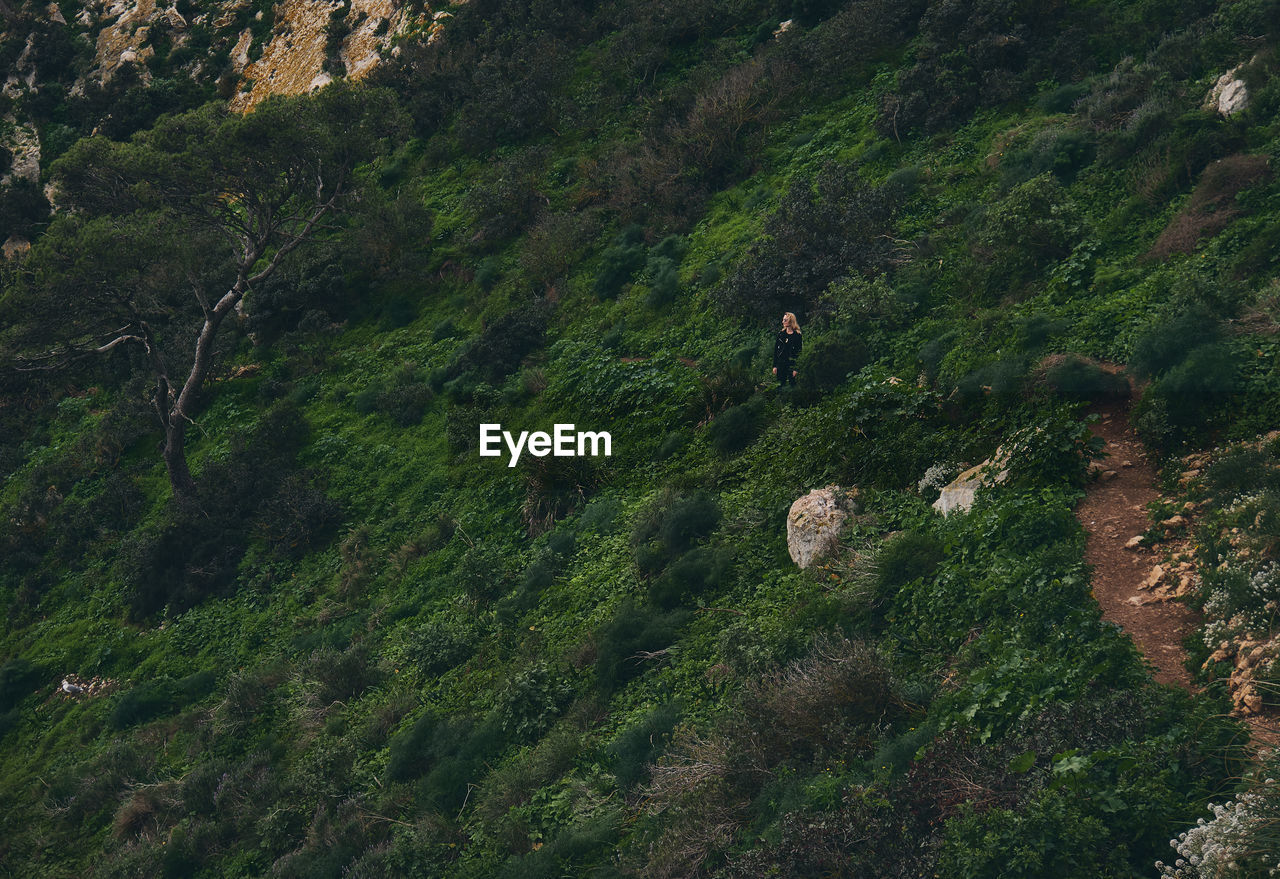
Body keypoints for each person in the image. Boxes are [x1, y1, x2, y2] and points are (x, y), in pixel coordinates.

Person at [772, 312, 802, 387]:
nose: (783, 322)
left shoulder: (797, 335)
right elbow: (776, 351)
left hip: (791, 365)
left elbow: (799, 352)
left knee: (792, 385)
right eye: (783, 320)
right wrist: (775, 366)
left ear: (791, 321)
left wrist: (796, 368)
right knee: (780, 385)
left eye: (785, 320)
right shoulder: (781, 334)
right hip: (781, 364)